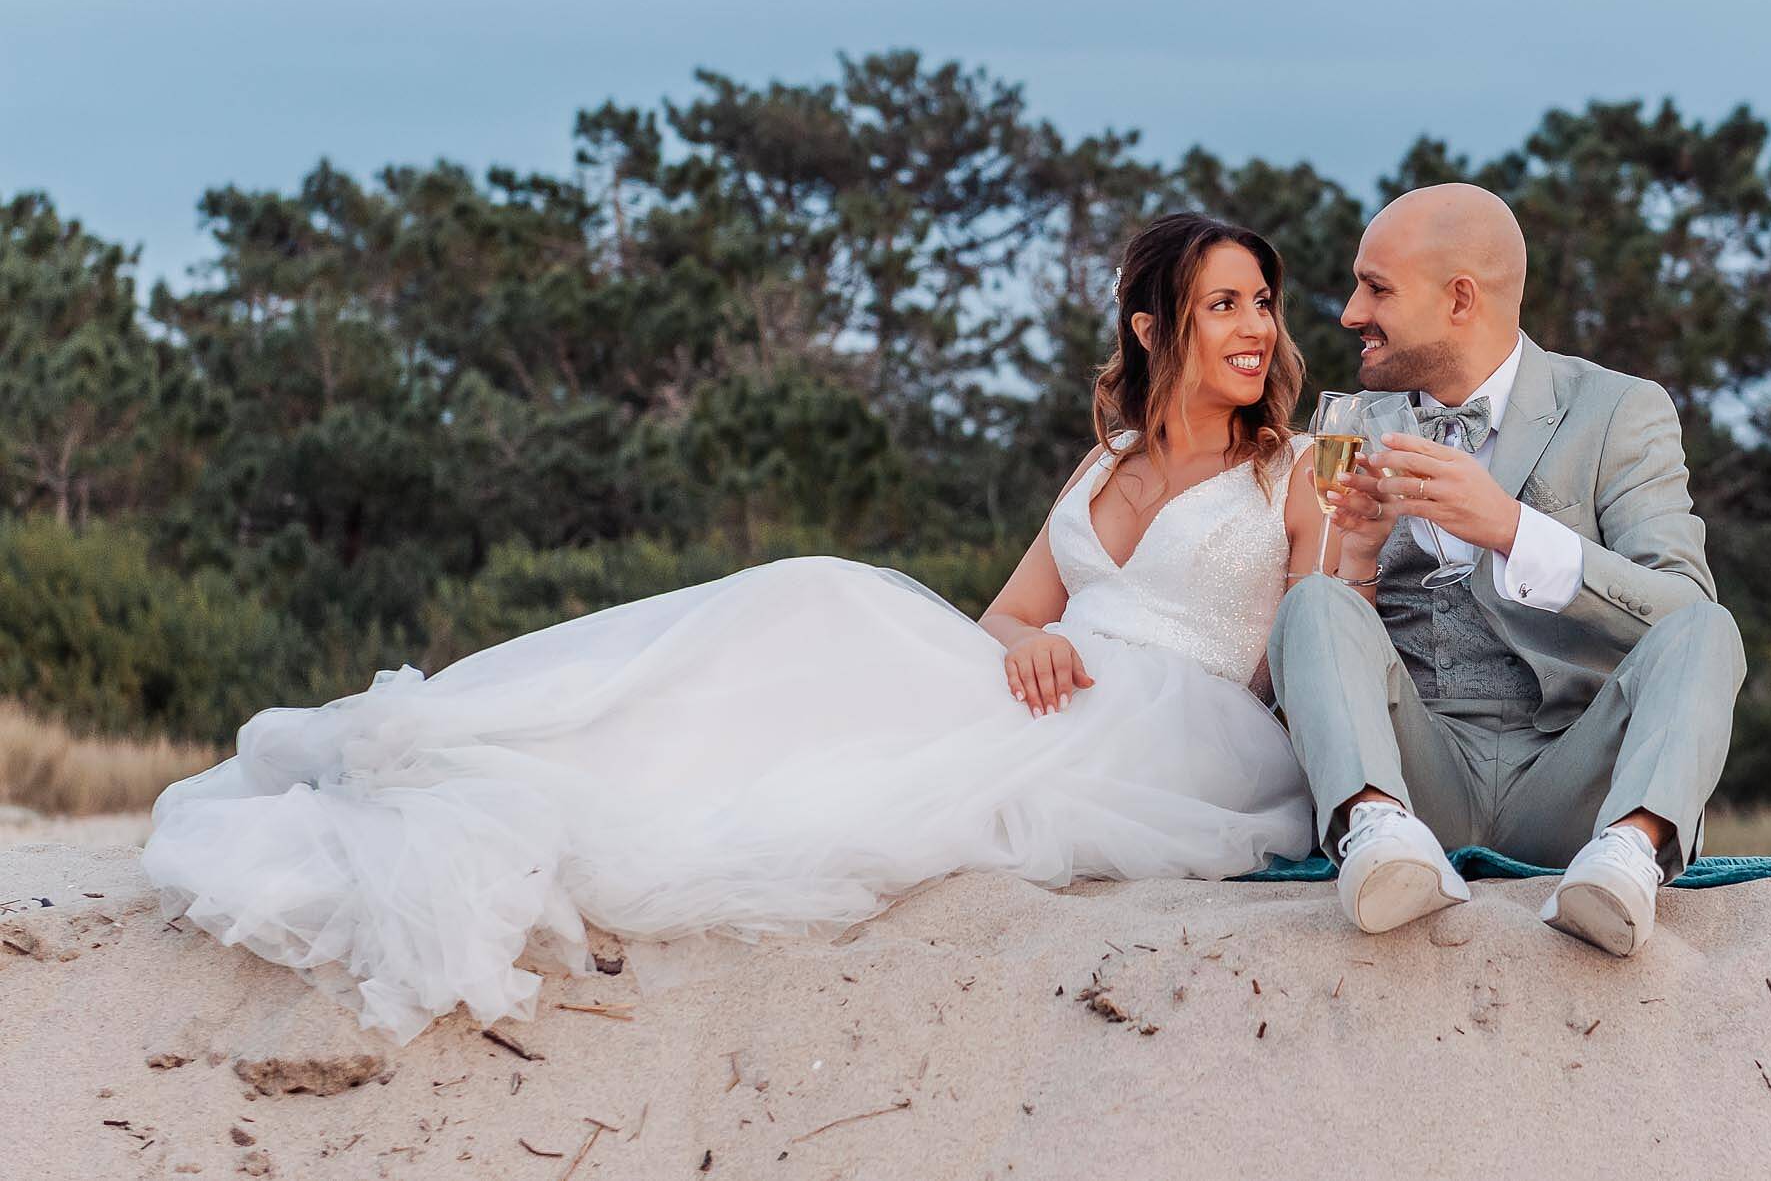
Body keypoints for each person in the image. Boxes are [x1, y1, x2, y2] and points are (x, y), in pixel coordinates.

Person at [143, 213, 1327, 1042]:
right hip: (1048, 681)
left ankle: (621, 802)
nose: (1256, 328)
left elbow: (1312, 641)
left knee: (879, 782)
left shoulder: (1292, 472)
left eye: (1262, 303)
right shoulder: (1102, 462)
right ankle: (535, 749)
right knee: (814, 593)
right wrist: (1024, 641)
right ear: (1147, 326)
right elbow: (1016, 609)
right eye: (1222, 302)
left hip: (1187, 725)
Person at [1271, 183, 1743, 956]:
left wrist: (1511, 529)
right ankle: (1374, 834)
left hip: (1572, 776)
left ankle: (1627, 859)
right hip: (1416, 778)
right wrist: (1354, 558)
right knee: (1315, 602)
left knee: (1709, 628)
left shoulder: (1618, 410)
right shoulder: (1354, 427)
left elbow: (1678, 609)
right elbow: (1316, 652)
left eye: (1376, 287)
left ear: (1461, 299)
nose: (1352, 313)